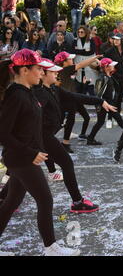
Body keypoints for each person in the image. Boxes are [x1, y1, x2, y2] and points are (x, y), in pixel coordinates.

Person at [0, 49, 79, 256]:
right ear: (25, 70)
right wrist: (29, 153)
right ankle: (51, 247)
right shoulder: (16, 95)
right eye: (38, 69)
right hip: (21, 159)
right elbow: (3, 133)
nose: (41, 73)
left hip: (24, 157)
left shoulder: (27, 92)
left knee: (11, 202)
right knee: (45, 199)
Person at [33, 61, 115, 213]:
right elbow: (30, 120)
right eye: (53, 72)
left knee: (20, 176)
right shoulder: (38, 93)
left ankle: (4, 197)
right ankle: (77, 202)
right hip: (42, 136)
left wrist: (100, 100)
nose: (56, 73)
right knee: (66, 163)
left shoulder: (52, 89)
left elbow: (74, 96)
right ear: (43, 74)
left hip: (46, 136)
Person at [54, 52, 101, 148]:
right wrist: (93, 58)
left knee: (71, 120)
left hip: (72, 98)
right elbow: (81, 64)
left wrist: (84, 84)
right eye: (70, 59)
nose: (72, 60)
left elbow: (73, 87)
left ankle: (68, 141)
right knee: (64, 122)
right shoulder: (65, 69)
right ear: (64, 62)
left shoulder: (64, 71)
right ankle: (55, 140)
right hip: (67, 99)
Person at [86, 58, 123, 145]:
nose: (113, 66)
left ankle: (90, 139)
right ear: (107, 67)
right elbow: (98, 93)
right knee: (119, 120)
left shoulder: (108, 76)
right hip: (104, 103)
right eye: (111, 65)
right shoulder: (102, 78)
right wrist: (100, 104)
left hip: (108, 102)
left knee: (101, 122)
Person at [104, 34, 123, 119]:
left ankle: (117, 115)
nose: (116, 41)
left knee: (120, 96)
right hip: (113, 76)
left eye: (118, 39)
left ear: (121, 40)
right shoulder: (109, 51)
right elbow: (104, 63)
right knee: (115, 96)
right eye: (114, 39)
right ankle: (110, 117)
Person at [73, 25, 97, 95]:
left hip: (89, 67)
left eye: (82, 32)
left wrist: (79, 51)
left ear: (86, 32)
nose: (80, 33)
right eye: (79, 32)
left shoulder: (91, 40)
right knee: (79, 87)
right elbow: (72, 51)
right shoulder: (75, 40)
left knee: (90, 87)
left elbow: (92, 51)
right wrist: (85, 51)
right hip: (79, 66)